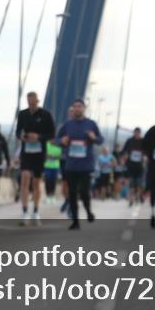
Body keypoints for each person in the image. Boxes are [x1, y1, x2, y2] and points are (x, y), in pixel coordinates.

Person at [57, 99, 103, 230]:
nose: (77, 108)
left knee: (83, 192)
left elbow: (100, 140)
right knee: (72, 194)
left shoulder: (91, 124)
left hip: (86, 165)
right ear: (73, 109)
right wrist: (62, 141)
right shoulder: (67, 125)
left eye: (79, 106)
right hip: (71, 165)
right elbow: (56, 140)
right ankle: (75, 221)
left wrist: (94, 138)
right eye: (75, 106)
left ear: (84, 108)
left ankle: (88, 211)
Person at [16, 92, 56, 225]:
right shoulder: (22, 114)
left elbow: (52, 134)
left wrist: (38, 137)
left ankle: (36, 211)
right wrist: (22, 137)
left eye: (33, 102)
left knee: (36, 183)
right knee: (25, 178)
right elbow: (18, 131)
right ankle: (24, 211)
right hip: (26, 152)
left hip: (39, 153)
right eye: (28, 102)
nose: (31, 104)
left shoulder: (45, 115)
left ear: (37, 101)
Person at [121, 128, 146, 206]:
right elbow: (123, 150)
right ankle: (131, 199)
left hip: (140, 166)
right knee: (131, 184)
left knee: (139, 183)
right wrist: (122, 157)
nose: (137, 135)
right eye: (135, 133)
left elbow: (147, 151)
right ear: (134, 133)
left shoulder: (143, 141)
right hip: (130, 165)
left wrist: (145, 156)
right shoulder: (129, 141)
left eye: (138, 133)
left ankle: (140, 196)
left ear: (140, 133)